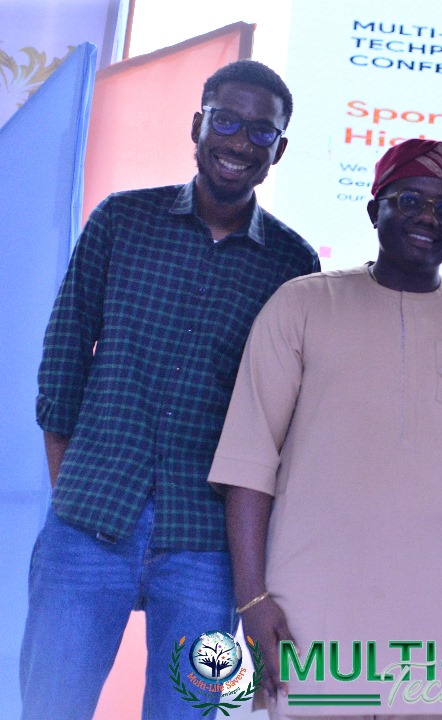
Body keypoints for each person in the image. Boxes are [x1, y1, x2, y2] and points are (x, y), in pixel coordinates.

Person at [22, 60, 319, 719]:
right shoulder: (122, 222)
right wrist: (74, 496)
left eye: (261, 132)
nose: (240, 142)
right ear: (198, 124)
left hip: (205, 546)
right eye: (227, 121)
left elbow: (284, 422)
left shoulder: (293, 266)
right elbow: (62, 363)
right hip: (86, 526)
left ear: (280, 149)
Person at [207, 138, 442, 719]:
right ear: (374, 210)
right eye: (409, 199)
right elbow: (248, 462)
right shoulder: (302, 306)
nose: (427, 218)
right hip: (314, 611)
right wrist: (252, 600)